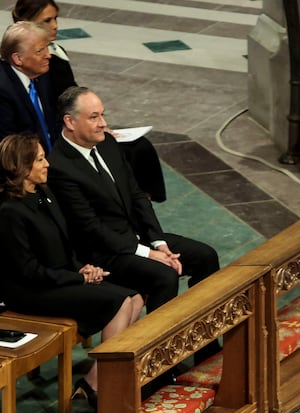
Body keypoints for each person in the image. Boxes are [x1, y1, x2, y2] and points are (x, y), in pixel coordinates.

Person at [47, 86, 221, 362]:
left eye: (102, 115)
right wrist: (150, 254)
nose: (103, 123)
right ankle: (157, 364)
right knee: (163, 275)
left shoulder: (107, 143)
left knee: (205, 256)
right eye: (93, 117)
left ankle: (206, 348)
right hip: (105, 253)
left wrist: (158, 242)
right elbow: (92, 228)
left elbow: (137, 196)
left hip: (136, 240)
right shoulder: (59, 167)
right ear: (70, 122)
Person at [0, 132, 144, 407]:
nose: (47, 164)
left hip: (58, 278)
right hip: (30, 291)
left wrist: (83, 268)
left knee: (135, 298)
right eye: (40, 160)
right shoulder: (9, 212)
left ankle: (93, 381)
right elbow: (29, 271)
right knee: (121, 301)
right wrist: (77, 277)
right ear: (23, 167)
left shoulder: (44, 193)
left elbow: (64, 246)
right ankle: (102, 385)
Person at [11, 0, 168, 202]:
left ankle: (140, 208)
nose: (55, 26)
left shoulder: (56, 53)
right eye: (46, 21)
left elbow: (72, 94)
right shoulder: (30, 64)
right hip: (60, 134)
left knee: (139, 148)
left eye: (55, 19)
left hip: (71, 122)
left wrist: (94, 121)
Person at [0, 21, 59, 152]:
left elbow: (53, 121)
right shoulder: (3, 90)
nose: (48, 55)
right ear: (18, 59)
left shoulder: (41, 75)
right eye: (40, 51)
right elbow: (9, 146)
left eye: (47, 47)